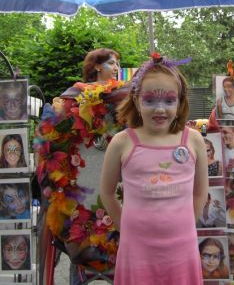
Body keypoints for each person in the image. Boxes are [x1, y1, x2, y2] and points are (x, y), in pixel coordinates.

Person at [100, 54, 208, 285]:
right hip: (136, 251)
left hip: (182, 249)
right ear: (137, 100)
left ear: (180, 103)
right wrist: (126, 229)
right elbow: (107, 193)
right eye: (150, 100)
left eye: (169, 101)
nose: (160, 109)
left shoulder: (194, 141)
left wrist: (188, 225)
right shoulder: (122, 142)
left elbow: (200, 192)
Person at [58, 48, 124, 285]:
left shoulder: (124, 98)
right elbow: (61, 138)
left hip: (117, 181)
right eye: (112, 63)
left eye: (117, 64)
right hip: (85, 178)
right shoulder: (74, 96)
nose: (116, 68)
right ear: (97, 67)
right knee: (82, 240)